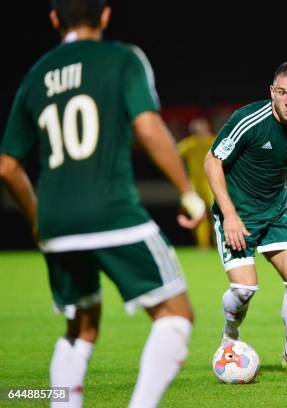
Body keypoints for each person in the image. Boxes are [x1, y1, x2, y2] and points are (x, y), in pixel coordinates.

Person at [0, 1, 205, 407]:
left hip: (57, 222)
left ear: (55, 19)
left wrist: (39, 218)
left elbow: (7, 167)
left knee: (80, 327)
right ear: (106, 16)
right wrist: (186, 190)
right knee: (176, 315)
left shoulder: (37, 74)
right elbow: (147, 127)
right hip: (112, 211)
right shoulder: (123, 59)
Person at [204, 61, 287, 378]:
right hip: (238, 214)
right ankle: (229, 338)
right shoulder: (248, 120)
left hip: (276, 212)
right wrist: (231, 215)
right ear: (272, 92)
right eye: (282, 93)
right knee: (244, 290)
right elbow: (212, 162)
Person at [178, 117, 217, 248]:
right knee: (202, 215)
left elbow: (175, 153)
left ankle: (216, 244)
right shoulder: (192, 143)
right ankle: (204, 245)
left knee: (214, 214)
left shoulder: (211, 141)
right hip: (199, 185)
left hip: (211, 183)